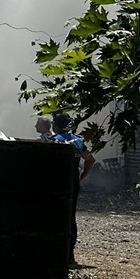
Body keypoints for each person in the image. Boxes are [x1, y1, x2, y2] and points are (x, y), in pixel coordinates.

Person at [51, 112, 96, 263]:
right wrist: (82, 176)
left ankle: (56, 251)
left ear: (55, 125)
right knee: (70, 216)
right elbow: (90, 160)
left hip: (57, 182)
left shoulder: (54, 140)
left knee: (54, 214)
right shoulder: (78, 141)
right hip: (73, 182)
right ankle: (69, 253)